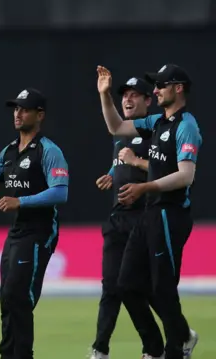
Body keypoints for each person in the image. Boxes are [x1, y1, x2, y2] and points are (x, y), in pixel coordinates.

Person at [96, 64, 201, 359]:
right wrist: (105, 95)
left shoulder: (186, 125)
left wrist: (146, 187)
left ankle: (173, 350)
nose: (155, 90)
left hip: (170, 214)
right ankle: (159, 346)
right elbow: (116, 127)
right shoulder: (157, 122)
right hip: (150, 214)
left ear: (178, 88)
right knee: (125, 284)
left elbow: (186, 176)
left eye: (161, 86)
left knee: (162, 288)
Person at [0, 88, 69, 359]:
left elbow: (60, 192)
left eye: (24, 109)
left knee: (18, 297)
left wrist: (22, 202)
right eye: (15, 109)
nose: (18, 114)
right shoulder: (9, 151)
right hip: (17, 233)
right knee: (8, 299)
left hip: (39, 232)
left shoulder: (48, 150)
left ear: (39, 115)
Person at [91, 77, 166, 359]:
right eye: (125, 95)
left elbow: (170, 172)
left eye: (135, 95)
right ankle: (100, 349)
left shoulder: (158, 130)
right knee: (111, 286)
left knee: (139, 288)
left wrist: (135, 162)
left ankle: (167, 340)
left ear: (149, 100)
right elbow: (121, 160)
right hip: (117, 218)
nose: (128, 100)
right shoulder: (122, 134)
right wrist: (113, 175)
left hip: (145, 217)